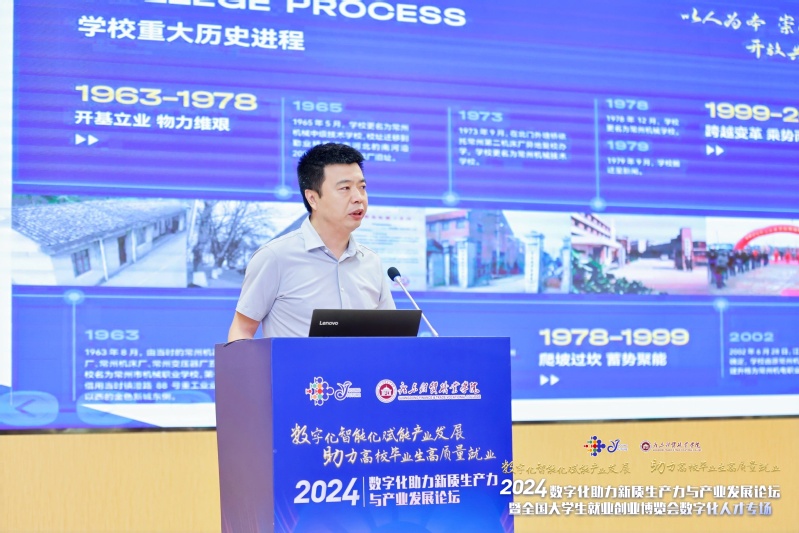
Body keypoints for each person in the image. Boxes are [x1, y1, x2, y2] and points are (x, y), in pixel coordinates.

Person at [227, 143, 396, 341]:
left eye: (362, 187)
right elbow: (242, 330)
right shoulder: (275, 257)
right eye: (345, 188)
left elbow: (391, 335)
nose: (358, 198)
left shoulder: (371, 262)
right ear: (313, 199)